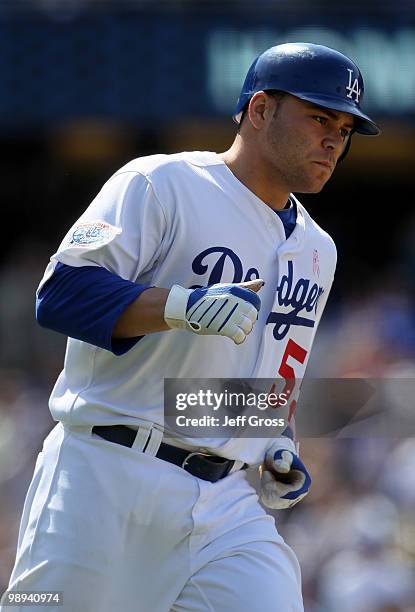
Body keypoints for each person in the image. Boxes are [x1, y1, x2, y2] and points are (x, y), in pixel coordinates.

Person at [2, 42, 379, 612]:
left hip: (229, 508)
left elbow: (262, 380)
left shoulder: (318, 249)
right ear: (259, 110)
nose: (334, 139)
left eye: (345, 127)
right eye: (319, 117)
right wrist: (178, 306)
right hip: (106, 473)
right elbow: (61, 294)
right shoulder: (163, 183)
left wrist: (273, 441)